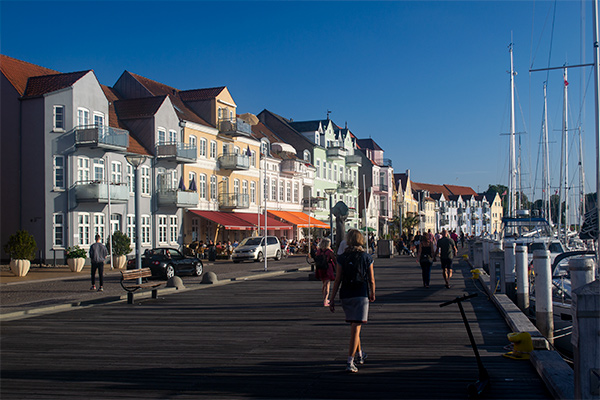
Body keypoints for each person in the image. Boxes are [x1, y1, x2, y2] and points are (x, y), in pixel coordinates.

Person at [329, 229, 375, 373]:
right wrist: (372, 293)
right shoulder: (367, 257)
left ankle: (360, 355)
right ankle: (350, 361)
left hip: (346, 294)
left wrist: (332, 298)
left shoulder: (342, 258)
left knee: (355, 326)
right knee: (356, 328)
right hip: (360, 294)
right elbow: (372, 280)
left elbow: (337, 279)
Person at [314, 238, 337, 307]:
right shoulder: (329, 251)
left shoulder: (318, 251)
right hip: (328, 268)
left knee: (324, 284)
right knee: (327, 284)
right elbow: (334, 260)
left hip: (320, 268)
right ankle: (325, 300)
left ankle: (324, 298)